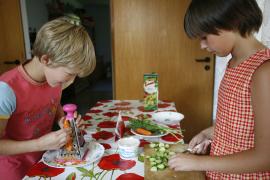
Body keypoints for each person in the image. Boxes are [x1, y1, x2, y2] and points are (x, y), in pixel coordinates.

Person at [168, 0, 270, 179]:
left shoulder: (264, 72)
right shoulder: (234, 63)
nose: (202, 45)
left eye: (204, 36)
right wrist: (209, 132)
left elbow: (265, 157)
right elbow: (240, 123)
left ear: (233, 22)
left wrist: (198, 163)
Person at [0, 15, 96, 180]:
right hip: (15, 170)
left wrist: (63, 120)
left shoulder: (53, 79)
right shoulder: (6, 90)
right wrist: (39, 144)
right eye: (69, 74)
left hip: (46, 159)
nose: (71, 81)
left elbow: (52, 104)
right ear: (46, 59)